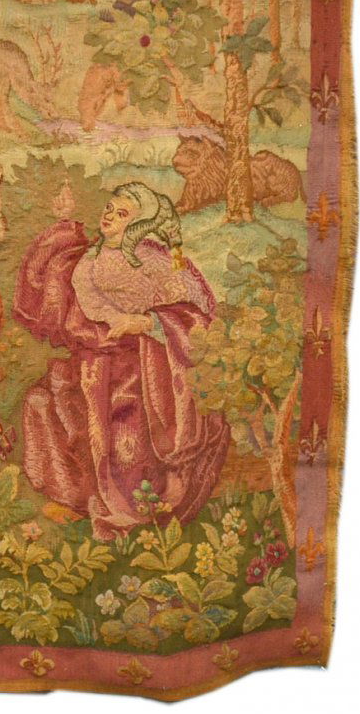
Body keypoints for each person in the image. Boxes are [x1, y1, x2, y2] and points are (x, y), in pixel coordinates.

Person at [13, 180, 229, 540]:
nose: (110, 216)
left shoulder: (156, 260)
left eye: (122, 213)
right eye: (109, 208)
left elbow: (196, 314)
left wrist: (145, 323)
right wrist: (64, 221)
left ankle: (131, 509)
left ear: (139, 223)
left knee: (126, 443)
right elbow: (72, 297)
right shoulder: (89, 260)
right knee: (41, 403)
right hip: (92, 365)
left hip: (142, 370)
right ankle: (76, 498)